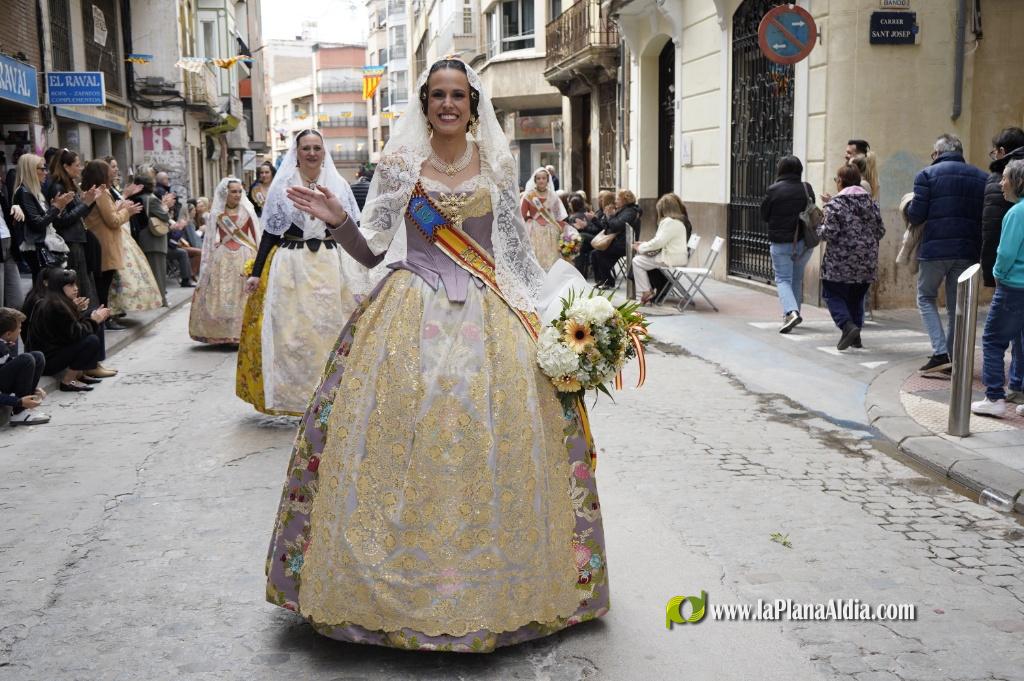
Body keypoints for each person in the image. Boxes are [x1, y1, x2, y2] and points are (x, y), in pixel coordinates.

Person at [266, 57, 608, 652]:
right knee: (395, 437)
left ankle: (504, 585)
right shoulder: (401, 165)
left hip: (486, 312)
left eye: (458, 95)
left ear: (473, 105)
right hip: (408, 309)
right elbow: (372, 250)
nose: (448, 105)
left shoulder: (497, 165)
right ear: (424, 103)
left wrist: (568, 311)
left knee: (494, 439)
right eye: (437, 96)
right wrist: (338, 220)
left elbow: (516, 260)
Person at [236, 129, 362, 416]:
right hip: (292, 266)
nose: (312, 153)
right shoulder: (283, 186)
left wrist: (362, 269)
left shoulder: (338, 184)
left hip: (330, 266)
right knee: (292, 334)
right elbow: (269, 232)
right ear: (297, 152)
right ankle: (297, 399)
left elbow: (351, 230)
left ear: (324, 152)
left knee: (332, 330)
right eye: (306, 148)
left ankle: (332, 399)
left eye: (317, 148)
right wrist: (256, 273)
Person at [905, 133, 988, 375]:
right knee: (955, 306)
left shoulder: (926, 175)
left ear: (938, 153)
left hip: (935, 250)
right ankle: (951, 357)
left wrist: (909, 205)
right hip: (967, 251)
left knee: (925, 297)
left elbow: (916, 215)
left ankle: (940, 353)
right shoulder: (981, 177)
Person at [971, 160, 1024, 418]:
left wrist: (997, 274)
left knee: (993, 340)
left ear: (1018, 182)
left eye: (1005, 178)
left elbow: (1005, 254)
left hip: (1014, 287)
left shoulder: (1016, 213)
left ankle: (994, 397)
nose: (1001, 183)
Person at [817, 165, 885, 350]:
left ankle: (847, 326)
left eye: (836, 180)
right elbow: (880, 231)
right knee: (856, 297)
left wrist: (819, 227)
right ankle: (856, 337)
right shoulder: (872, 204)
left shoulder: (835, 205)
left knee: (831, 293)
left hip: (840, 263)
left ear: (840, 181)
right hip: (866, 263)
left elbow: (828, 233)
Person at [189, 178, 260, 344]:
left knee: (242, 294)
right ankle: (223, 333)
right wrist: (207, 261)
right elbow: (209, 239)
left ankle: (242, 332)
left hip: (244, 255)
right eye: (233, 191)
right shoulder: (217, 213)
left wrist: (259, 261)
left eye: (239, 191)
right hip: (222, 256)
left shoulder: (247, 211)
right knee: (222, 293)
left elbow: (256, 237)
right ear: (225, 193)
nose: (237, 195)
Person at [26, 268, 112, 392]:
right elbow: (76, 334)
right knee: (91, 340)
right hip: (47, 361)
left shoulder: (57, 301)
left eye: (75, 284)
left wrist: (89, 316)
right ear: (59, 287)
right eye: (71, 285)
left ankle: (84, 371)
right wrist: (94, 321)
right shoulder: (55, 305)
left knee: (92, 317)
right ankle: (68, 381)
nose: (76, 288)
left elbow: (69, 330)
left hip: (53, 352)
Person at [81, 160, 144, 326]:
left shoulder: (99, 192)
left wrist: (119, 208)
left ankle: (106, 317)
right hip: (104, 245)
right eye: (109, 172)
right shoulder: (101, 193)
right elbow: (113, 221)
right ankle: (105, 319)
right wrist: (127, 211)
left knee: (104, 284)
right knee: (103, 285)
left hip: (103, 243)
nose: (113, 174)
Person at [762, 155, 816, 334]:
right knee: (796, 278)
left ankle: (791, 313)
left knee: (783, 279)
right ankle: (793, 314)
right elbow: (812, 209)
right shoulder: (806, 188)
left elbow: (764, 215)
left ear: (780, 170)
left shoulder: (773, 190)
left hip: (781, 243)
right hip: (804, 242)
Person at [46, 149, 104, 302]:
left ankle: (89, 320)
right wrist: (86, 203)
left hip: (77, 239)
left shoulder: (69, 185)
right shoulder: (58, 187)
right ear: (66, 166)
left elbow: (79, 215)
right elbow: (62, 220)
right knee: (78, 286)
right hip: (69, 242)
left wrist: (89, 201)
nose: (80, 168)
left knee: (84, 284)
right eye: (77, 165)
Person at [13, 153, 73, 277]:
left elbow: (44, 219)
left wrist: (57, 208)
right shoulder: (24, 192)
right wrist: (56, 207)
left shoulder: (36, 192)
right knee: (43, 286)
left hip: (42, 244)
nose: (46, 172)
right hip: (35, 246)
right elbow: (38, 224)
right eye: (42, 169)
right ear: (30, 170)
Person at [631, 193, 692, 304]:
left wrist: (641, 247)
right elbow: (661, 241)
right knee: (641, 259)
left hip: (670, 258)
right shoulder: (679, 222)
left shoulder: (669, 222)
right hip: (677, 256)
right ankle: (646, 292)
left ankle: (645, 292)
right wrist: (645, 245)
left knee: (637, 261)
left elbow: (658, 242)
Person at [0, 308, 48, 426]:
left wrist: (34, 387)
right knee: (26, 359)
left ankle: (28, 403)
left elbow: (7, 366)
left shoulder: (4, 344)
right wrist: (18, 402)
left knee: (37, 356)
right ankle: (20, 412)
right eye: (19, 328)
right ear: (8, 334)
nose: (21, 331)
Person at [131, 173, 172, 306]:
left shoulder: (135, 197)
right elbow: (165, 216)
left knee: (147, 273)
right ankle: (161, 301)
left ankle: (150, 301)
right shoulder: (151, 199)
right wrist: (166, 206)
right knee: (158, 272)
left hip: (142, 237)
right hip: (154, 239)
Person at [591, 188, 641, 290]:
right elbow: (607, 227)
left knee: (600, 253)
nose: (615, 201)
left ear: (625, 200)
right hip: (617, 241)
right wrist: (606, 216)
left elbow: (617, 225)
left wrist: (610, 216)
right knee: (595, 253)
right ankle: (602, 280)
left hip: (624, 244)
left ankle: (608, 281)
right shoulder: (621, 210)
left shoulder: (630, 211)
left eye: (618, 198)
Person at [521, 166, 568, 270]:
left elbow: (558, 214)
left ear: (548, 180)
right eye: (538, 178)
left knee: (552, 259)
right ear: (535, 180)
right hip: (534, 229)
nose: (541, 180)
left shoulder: (553, 195)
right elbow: (522, 214)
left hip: (551, 230)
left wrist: (563, 229)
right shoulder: (529, 195)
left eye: (543, 178)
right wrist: (528, 218)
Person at [575, 190, 613, 278]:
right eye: (599, 198)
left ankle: (580, 274)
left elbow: (603, 229)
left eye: (602, 198)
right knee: (579, 244)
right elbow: (596, 228)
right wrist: (585, 226)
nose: (599, 200)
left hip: (604, 239)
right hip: (597, 237)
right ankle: (580, 274)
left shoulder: (609, 211)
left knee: (581, 237)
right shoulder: (599, 211)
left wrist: (590, 222)